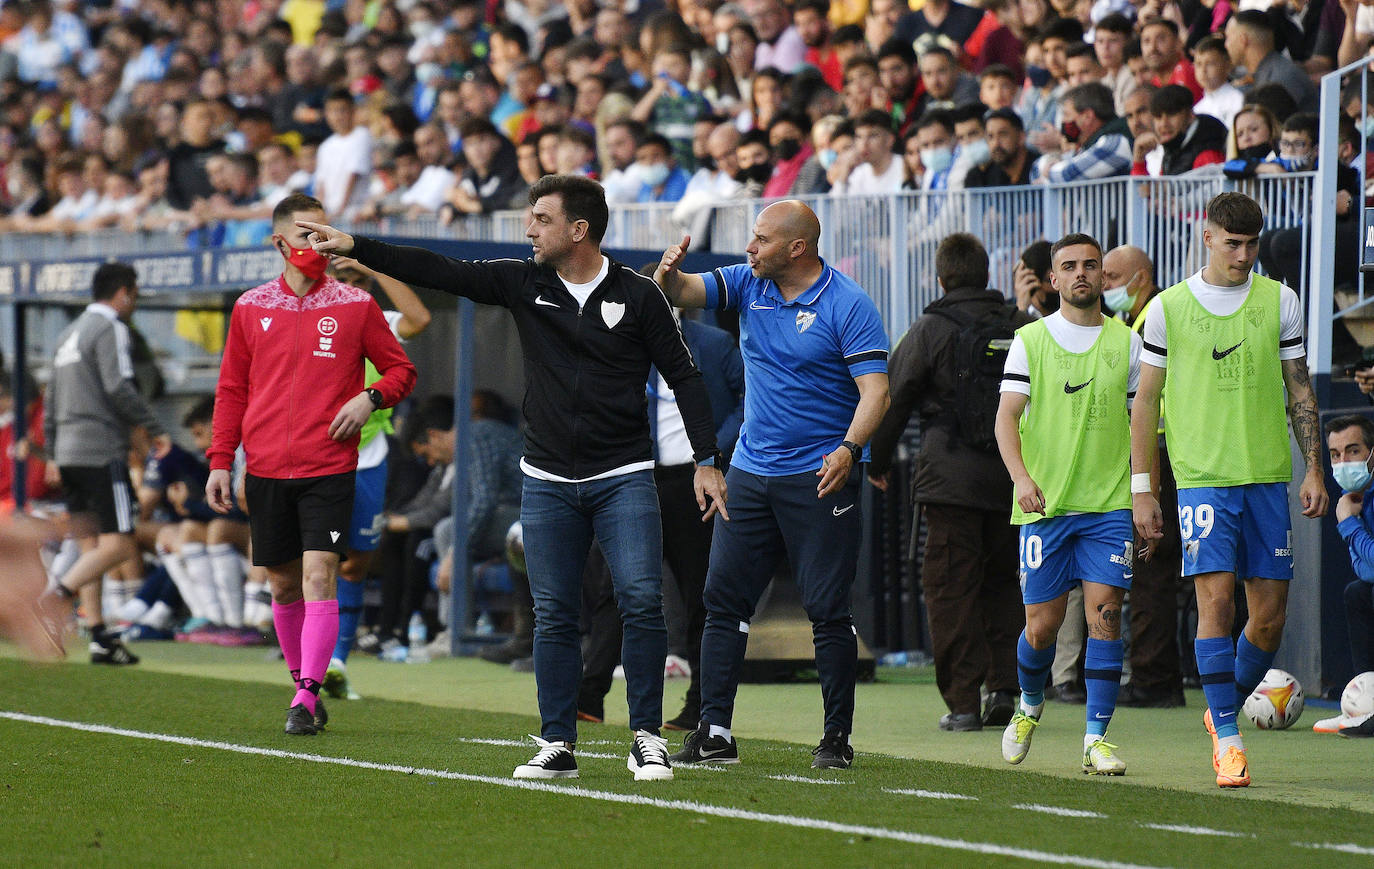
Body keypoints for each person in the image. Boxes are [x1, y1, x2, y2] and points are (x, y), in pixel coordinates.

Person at [300, 174, 728, 782]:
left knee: (640, 601)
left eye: (541, 219)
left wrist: (707, 459)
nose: (528, 229)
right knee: (554, 612)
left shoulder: (639, 296)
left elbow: (685, 379)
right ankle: (558, 742)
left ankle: (646, 738)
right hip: (547, 479)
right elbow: (439, 268)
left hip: (625, 476)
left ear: (579, 230)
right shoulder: (521, 281)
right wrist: (357, 245)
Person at [655, 200, 890, 770]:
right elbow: (684, 292)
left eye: (760, 239)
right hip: (751, 472)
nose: (749, 248)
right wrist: (664, 277)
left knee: (827, 609)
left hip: (819, 476)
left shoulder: (848, 304)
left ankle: (836, 739)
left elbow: (876, 391)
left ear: (797, 249)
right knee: (722, 602)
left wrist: (848, 450)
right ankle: (714, 731)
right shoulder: (747, 283)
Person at [1131, 191, 1327, 788]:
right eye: (1233, 243)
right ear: (1208, 238)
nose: (1244, 256)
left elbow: (1299, 389)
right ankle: (1229, 739)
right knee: (1216, 603)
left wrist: (1313, 468)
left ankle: (1222, 712)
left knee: (1268, 619)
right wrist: (1145, 489)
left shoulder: (1280, 301)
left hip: (1268, 476)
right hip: (1203, 481)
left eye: (1252, 245)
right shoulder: (1167, 309)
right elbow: (1144, 405)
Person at [206, 192, 417, 737]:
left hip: (329, 466)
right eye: (306, 235)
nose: (317, 245)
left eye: (324, 234)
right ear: (280, 242)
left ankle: (304, 698)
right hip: (267, 469)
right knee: (281, 586)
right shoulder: (250, 307)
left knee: (319, 574)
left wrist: (370, 398)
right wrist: (219, 462)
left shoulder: (354, 304)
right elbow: (231, 389)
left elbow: (401, 371)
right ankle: (304, 681)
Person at [869, 233, 1029, 731]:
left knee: (950, 588)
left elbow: (891, 398)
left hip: (950, 480)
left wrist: (874, 462)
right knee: (1006, 585)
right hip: (1015, 478)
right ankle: (1004, 688)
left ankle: (962, 702)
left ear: (941, 277)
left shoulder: (931, 328)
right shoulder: (1023, 327)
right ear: (987, 275)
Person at [995, 232, 1141, 775]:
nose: (1081, 273)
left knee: (1106, 615)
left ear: (1104, 276)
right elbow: (1006, 417)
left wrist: (1143, 492)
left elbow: (1142, 421)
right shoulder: (1030, 340)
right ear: (1052, 279)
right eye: (1069, 266)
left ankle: (1096, 739)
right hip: (1044, 507)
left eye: (1091, 265)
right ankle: (1030, 706)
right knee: (1042, 627)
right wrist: (1022, 479)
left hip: (1108, 506)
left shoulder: (1127, 342)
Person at [36, 262, 170, 665]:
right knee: (120, 544)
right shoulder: (110, 327)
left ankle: (97, 636)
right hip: (101, 451)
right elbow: (118, 386)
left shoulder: (66, 335)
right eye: (136, 294)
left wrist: (55, 453)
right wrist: (154, 427)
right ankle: (54, 598)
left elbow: (50, 400)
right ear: (124, 292)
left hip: (71, 454)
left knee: (89, 544)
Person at [323, 256, 432, 702]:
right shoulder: (316, 319)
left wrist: (377, 266)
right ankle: (315, 659)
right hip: (322, 456)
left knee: (356, 562)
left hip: (367, 457)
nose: (352, 284)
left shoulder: (378, 320)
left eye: (358, 278)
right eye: (344, 276)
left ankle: (338, 664)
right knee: (319, 560)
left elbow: (419, 319)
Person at [1100, 245, 1185, 709]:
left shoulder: (1154, 317)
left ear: (1141, 277)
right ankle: (1159, 673)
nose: (1105, 284)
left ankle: (1154, 678)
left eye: (1113, 276)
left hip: (1161, 453)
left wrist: (1145, 481)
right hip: (1162, 450)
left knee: (1151, 561)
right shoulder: (1136, 321)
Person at [1326, 414, 1374, 736]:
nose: (1343, 462)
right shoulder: (1356, 499)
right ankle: (1367, 703)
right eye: (1335, 455)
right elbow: (1365, 570)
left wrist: (1348, 525)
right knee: (1358, 592)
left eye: (1353, 451)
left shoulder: (1351, 510)